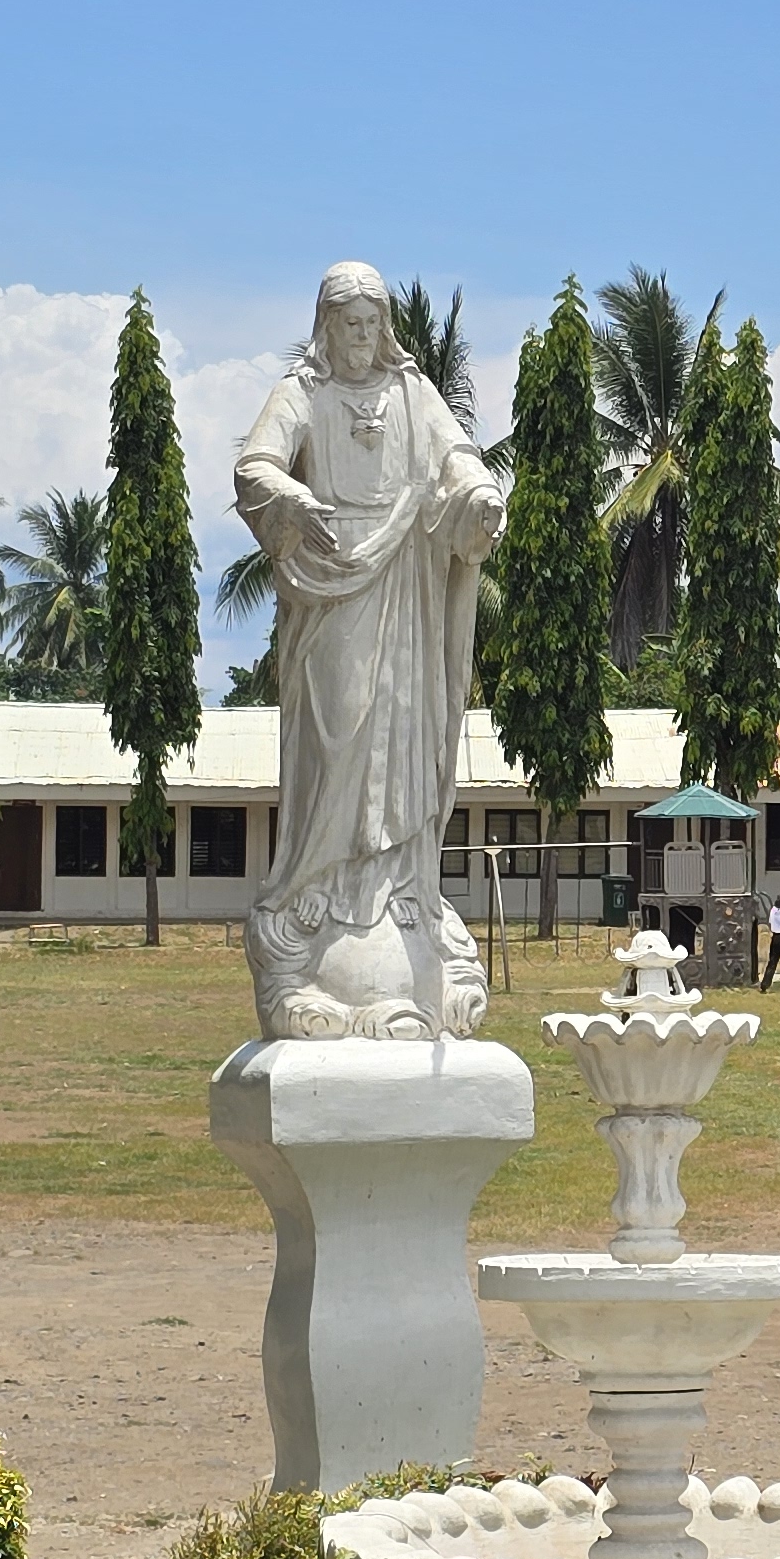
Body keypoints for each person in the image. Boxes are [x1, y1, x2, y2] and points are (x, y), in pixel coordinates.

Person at [233, 262, 506, 1040]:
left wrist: (478, 496)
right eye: (345, 324)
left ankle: (400, 893)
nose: (357, 338)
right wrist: (287, 496)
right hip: (330, 581)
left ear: (383, 329)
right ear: (326, 325)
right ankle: (317, 893)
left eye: (368, 324)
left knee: (406, 734)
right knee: (338, 736)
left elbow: (459, 461)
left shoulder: (414, 395)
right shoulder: (303, 393)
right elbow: (255, 465)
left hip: (409, 584)